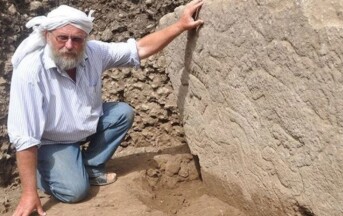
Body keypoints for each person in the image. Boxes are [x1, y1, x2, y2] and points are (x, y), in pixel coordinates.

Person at [7, 0, 204, 215]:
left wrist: (180, 25)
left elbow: (139, 49)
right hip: (52, 142)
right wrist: (29, 193)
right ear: (47, 36)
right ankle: (42, 174)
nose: (70, 46)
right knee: (75, 192)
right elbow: (25, 136)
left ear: (85, 39)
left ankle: (89, 167)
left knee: (121, 113)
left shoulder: (94, 52)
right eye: (62, 38)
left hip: (84, 127)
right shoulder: (30, 72)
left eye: (77, 39)